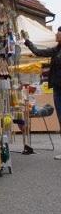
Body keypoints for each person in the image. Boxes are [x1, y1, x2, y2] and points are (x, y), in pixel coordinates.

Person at [24, 27, 61, 160]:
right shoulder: (56, 50)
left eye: (59, 32)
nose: (56, 34)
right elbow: (39, 52)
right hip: (57, 88)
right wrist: (28, 42)